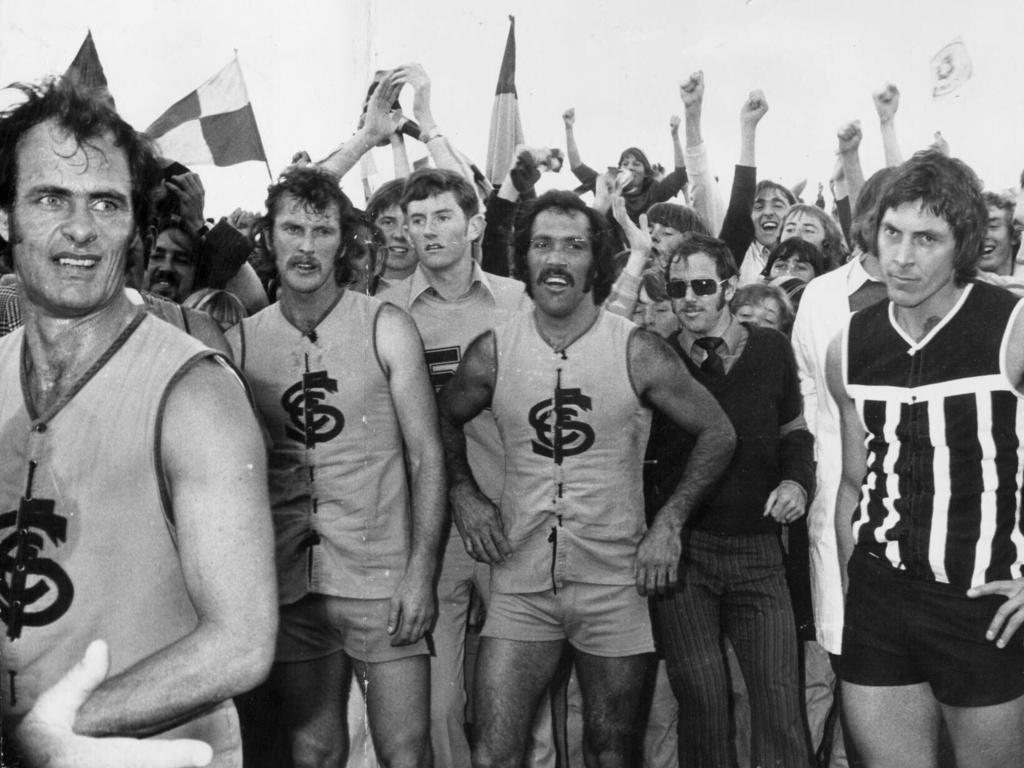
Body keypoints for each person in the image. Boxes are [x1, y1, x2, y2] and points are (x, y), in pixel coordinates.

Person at [0, 77, 276, 766]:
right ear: (4, 218)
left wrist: (46, 731)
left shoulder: (195, 392)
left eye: (106, 203)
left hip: (151, 751)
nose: (81, 229)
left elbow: (241, 642)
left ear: (135, 224)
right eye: (49, 198)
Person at [437, 190, 736, 767]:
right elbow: (442, 418)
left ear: (595, 262)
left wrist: (669, 522)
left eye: (574, 246)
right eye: (543, 244)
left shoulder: (637, 349)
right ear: (522, 257)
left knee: (613, 751)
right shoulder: (493, 352)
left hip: (614, 583)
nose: (557, 259)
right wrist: (463, 494)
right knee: (493, 752)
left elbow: (718, 432)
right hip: (521, 580)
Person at [226, 164, 445, 768]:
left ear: (342, 240)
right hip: (293, 585)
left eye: (322, 230)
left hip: (381, 579)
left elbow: (428, 455)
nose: (306, 245)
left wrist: (421, 570)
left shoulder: (385, 325)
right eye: (292, 228)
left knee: (405, 752)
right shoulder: (240, 343)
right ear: (268, 238)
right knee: (313, 750)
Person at [826, 149, 1024, 767]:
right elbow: (855, 481)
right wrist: (857, 580)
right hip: (881, 600)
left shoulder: (1011, 328)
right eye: (892, 233)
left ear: (962, 242)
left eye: (927, 238)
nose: (903, 257)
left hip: (982, 602)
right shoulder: (850, 345)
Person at [378, 168, 532, 768]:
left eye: (442, 216)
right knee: (439, 707)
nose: (428, 231)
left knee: (525, 703)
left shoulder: (518, 302)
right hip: (428, 532)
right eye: (415, 220)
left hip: (510, 525)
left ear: (473, 224)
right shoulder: (382, 311)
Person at [647, 232, 813, 767]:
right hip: (685, 561)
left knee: (781, 704)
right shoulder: (659, 358)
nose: (689, 298)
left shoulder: (770, 348)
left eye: (701, 285)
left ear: (730, 285)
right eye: (678, 287)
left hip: (759, 553)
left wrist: (796, 483)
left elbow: (794, 432)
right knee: (703, 705)